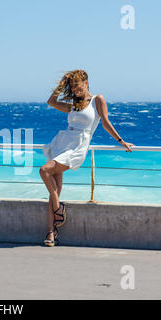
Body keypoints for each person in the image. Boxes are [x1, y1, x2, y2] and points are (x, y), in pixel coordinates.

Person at [40, 70, 134, 247]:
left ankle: (58, 208)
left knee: (44, 171)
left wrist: (121, 141)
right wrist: (62, 83)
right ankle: (51, 232)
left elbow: (105, 122)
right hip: (62, 142)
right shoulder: (74, 104)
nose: (74, 90)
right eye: (72, 88)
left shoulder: (97, 99)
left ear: (86, 83)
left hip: (77, 146)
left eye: (77, 86)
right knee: (55, 191)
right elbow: (51, 102)